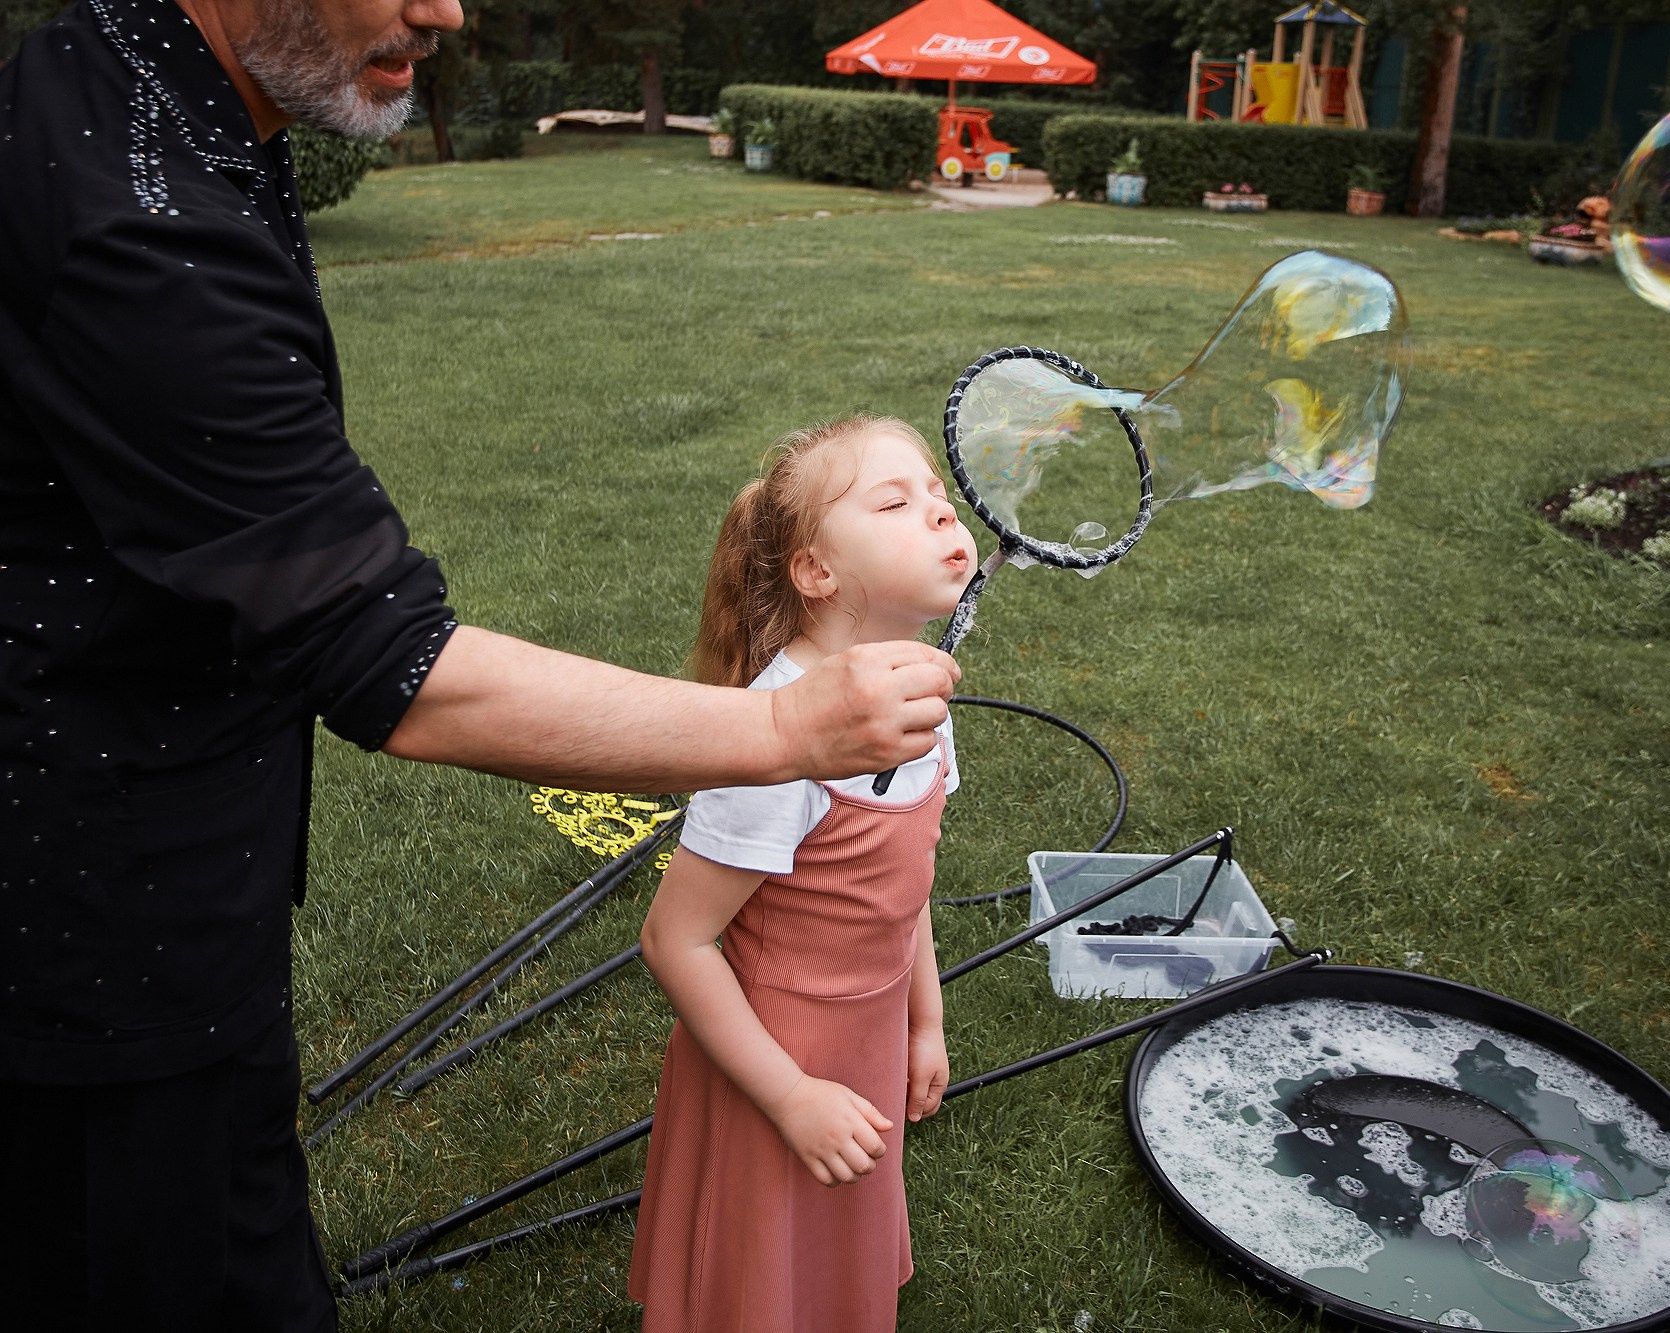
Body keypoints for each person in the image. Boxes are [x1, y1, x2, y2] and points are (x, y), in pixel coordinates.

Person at [0, 2, 957, 1328]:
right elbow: (386, 656)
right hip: (94, 917)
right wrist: (786, 735)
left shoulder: (146, 93)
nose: (446, 8)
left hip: (170, 865)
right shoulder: (139, 217)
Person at [629, 416, 976, 1333]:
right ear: (817, 570)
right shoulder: (775, 747)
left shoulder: (916, 699)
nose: (941, 511)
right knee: (755, 1272)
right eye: (896, 503)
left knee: (822, 1264)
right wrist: (790, 1097)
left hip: (865, 1040)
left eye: (938, 494)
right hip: (772, 1059)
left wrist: (925, 1019)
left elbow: (908, 885)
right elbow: (674, 938)